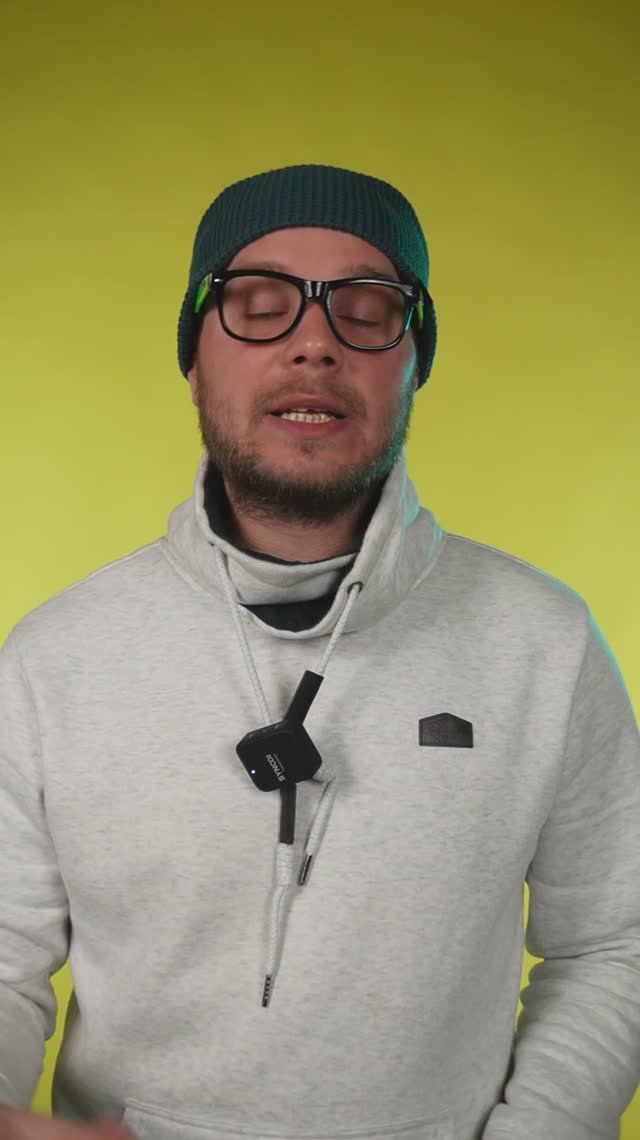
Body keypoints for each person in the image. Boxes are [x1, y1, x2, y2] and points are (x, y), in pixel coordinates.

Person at [1, 163, 639, 1140]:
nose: (312, 343)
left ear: (414, 362)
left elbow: (611, 945)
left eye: (366, 309)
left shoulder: (544, 645)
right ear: (193, 361)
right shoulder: (55, 660)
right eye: (257, 306)